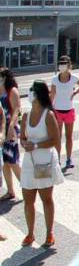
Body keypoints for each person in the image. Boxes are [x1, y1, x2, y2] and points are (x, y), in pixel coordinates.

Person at [19, 80, 64, 247]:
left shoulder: (48, 115)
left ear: (38, 94)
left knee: (46, 199)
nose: (29, 93)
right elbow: (22, 137)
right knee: (28, 200)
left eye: (31, 90)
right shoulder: (26, 115)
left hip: (44, 161)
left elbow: (56, 139)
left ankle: (49, 233)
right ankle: (30, 234)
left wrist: (36, 145)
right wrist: (24, 143)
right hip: (29, 163)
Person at [48, 56, 79, 171]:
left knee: (69, 137)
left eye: (64, 63)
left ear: (69, 65)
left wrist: (75, 92)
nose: (62, 66)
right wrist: (48, 108)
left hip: (69, 110)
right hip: (57, 110)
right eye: (60, 63)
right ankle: (57, 159)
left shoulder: (74, 78)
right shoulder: (55, 79)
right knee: (58, 136)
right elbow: (53, 94)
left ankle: (69, 159)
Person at [1, 67, 20, 202]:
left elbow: (16, 111)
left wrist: (11, 129)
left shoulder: (12, 91)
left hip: (11, 129)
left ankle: (27, 187)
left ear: (6, 77)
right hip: (2, 129)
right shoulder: (0, 90)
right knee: (6, 163)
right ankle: (10, 191)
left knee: (13, 161)